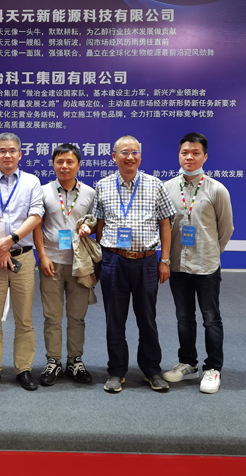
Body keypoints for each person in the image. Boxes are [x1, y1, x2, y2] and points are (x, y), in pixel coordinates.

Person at [80, 135, 175, 393]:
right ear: (114, 156)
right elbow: (99, 223)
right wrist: (102, 257)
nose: (130, 157)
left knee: (147, 319)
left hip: (146, 261)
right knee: (115, 319)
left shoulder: (155, 185)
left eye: (134, 152)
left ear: (140, 156)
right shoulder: (103, 185)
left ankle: (152, 370)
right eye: (124, 152)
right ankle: (117, 371)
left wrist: (164, 260)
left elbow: (165, 224)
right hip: (114, 261)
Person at [162, 132, 233, 394]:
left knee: (211, 318)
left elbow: (226, 228)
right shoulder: (167, 188)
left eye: (195, 153)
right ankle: (188, 363)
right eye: (185, 152)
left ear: (205, 156)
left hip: (206, 265)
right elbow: (165, 227)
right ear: (179, 155)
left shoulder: (216, 189)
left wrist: (212, 252)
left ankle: (213, 368)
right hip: (178, 264)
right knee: (183, 318)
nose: (189, 157)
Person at [0, 133, 44, 391]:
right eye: (2, 151)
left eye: (12, 150)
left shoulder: (32, 182)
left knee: (24, 319)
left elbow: (36, 215)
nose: (7, 155)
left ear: (20, 154)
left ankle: (23, 369)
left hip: (22, 256)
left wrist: (10, 240)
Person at [34, 143, 96, 387]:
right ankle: (53, 361)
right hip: (51, 263)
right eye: (59, 162)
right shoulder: (43, 191)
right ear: (53, 164)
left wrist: (89, 228)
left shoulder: (89, 193)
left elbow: (97, 224)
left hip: (80, 265)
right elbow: (37, 226)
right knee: (52, 316)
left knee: (77, 316)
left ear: (78, 165)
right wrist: (42, 256)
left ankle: (74, 361)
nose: (64, 166)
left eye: (70, 162)